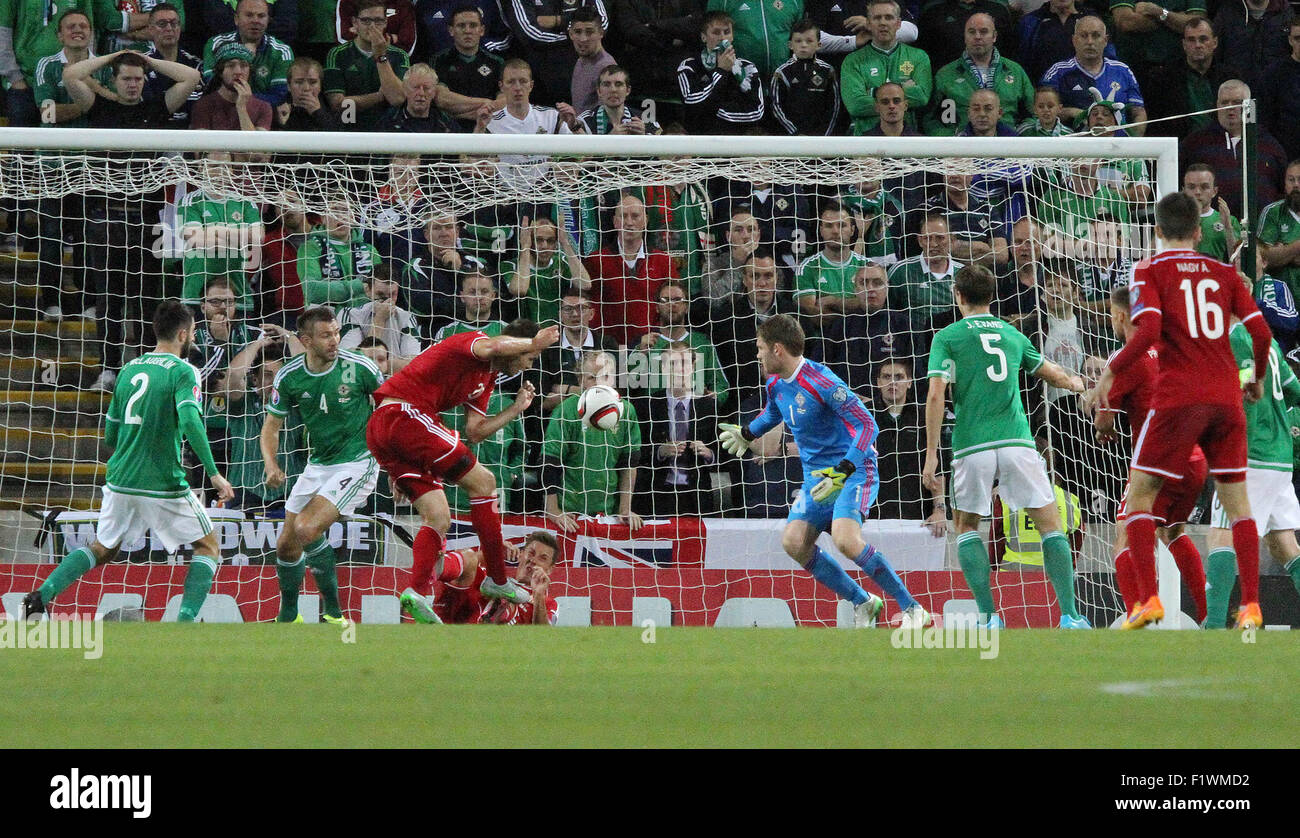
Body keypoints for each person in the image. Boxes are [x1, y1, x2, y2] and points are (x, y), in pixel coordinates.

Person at [1088, 192, 1271, 630]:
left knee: (1139, 497)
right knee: (1238, 505)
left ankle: (1148, 599)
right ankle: (1250, 605)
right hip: (1226, 398)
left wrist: (1111, 371)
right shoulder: (1225, 274)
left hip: (1179, 400)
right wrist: (1254, 378)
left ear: (1156, 231)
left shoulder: (1149, 269)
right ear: (1196, 231)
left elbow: (1148, 330)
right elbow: (1260, 333)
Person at [22, 301, 235, 621]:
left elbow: (110, 434)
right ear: (183, 333)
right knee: (207, 547)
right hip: (162, 480)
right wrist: (214, 473)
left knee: (102, 549)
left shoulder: (129, 369)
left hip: (120, 477)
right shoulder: (184, 371)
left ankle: (41, 595)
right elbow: (190, 421)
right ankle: (185, 624)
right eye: (192, 331)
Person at [718, 314, 929, 628]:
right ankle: (864, 602)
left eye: (760, 348)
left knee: (846, 540)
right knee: (793, 542)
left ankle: (913, 609)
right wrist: (748, 433)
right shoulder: (775, 382)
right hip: (817, 480)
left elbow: (867, 425)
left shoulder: (823, 381)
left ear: (777, 349)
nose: (757, 354)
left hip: (853, 471)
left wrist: (843, 470)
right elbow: (774, 411)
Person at [922, 264, 1090, 629]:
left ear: (958, 296)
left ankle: (988, 618)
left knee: (966, 527)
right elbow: (1053, 374)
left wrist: (932, 452)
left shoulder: (948, 337)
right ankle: (1071, 616)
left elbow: (936, 394)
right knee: (1050, 525)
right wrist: (1080, 385)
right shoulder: (1013, 335)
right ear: (992, 296)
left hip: (972, 444)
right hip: (1017, 439)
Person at [367, 319, 560, 609]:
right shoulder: (474, 342)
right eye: (529, 358)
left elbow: (476, 430)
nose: (529, 365)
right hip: (405, 414)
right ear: (515, 346)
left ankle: (416, 592)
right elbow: (495, 344)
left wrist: (516, 408)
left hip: (388, 431)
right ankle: (497, 578)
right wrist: (533, 342)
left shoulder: (486, 379)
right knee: (485, 483)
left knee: (438, 517)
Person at [259, 308, 382, 624]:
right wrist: (271, 465)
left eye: (337, 332)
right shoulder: (290, 376)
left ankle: (335, 614)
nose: (335, 340)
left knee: (307, 528)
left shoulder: (360, 367)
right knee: (286, 546)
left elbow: (390, 413)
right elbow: (271, 427)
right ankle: (289, 617)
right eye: (326, 335)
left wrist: (398, 464)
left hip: (358, 462)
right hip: (319, 464)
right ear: (305, 340)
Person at [1093, 285, 1208, 624]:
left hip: (1155, 462)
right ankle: (1209, 618)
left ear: (1119, 316)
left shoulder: (1126, 359)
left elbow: (1104, 421)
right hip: (1194, 459)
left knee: (1125, 535)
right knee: (1173, 532)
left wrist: (1102, 423)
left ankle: (1139, 613)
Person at [1203, 305, 1300, 627]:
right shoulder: (1268, 342)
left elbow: (1247, 381)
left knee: (1221, 535)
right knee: (1284, 544)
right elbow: (1294, 389)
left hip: (1249, 455)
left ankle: (1214, 628)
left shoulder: (1236, 339)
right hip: (1280, 456)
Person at [543, 350, 644, 532]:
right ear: (580, 380)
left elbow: (629, 463)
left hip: (609, 512)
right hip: (569, 513)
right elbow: (550, 461)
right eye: (591, 378)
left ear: (614, 379)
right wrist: (553, 510)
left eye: (605, 376)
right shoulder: (566, 411)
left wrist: (625, 508)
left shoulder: (627, 412)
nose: (599, 383)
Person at [634, 343, 721, 516]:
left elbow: (723, 451)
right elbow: (636, 451)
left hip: (696, 495)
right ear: (663, 368)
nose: (680, 368)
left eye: (685, 362)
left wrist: (708, 453)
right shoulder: (647, 406)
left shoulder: (708, 406)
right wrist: (660, 451)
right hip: (657, 494)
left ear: (694, 366)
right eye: (673, 363)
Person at [1181, 79, 1287, 220]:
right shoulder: (1195, 143)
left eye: (1237, 102)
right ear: (1217, 105)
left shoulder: (1269, 145)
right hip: (1210, 231)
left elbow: (1283, 189)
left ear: (1250, 105)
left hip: (1262, 232)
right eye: (1224, 103)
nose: (1230, 107)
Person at [586, 193, 678, 345]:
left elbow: (672, 307)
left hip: (652, 347)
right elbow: (590, 310)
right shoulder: (596, 261)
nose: (629, 222)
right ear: (615, 222)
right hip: (611, 352)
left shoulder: (663, 261)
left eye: (635, 216)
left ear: (646, 221)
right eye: (623, 216)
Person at [413, 530, 561, 625]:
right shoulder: (493, 581)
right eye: (531, 553)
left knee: (507, 603)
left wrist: (539, 595)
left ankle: (491, 619)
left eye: (543, 558)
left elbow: (544, 637)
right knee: (470, 559)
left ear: (550, 569)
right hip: (456, 618)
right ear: (521, 554)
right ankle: (437, 568)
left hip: (494, 646)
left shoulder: (548, 603)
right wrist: (493, 554)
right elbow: (471, 562)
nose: (533, 560)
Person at [179, 152, 265, 312]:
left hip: (237, 296)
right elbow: (196, 240)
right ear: (201, 168)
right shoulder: (190, 201)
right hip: (196, 296)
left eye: (225, 166)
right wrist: (238, 235)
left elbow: (257, 238)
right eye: (213, 166)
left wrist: (214, 231)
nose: (220, 171)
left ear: (232, 170)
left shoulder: (245, 202)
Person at [927, 12, 1034, 136]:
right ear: (965, 36)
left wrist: (1019, 138)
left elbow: (1034, 113)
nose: (977, 36)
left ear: (994, 36)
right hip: (961, 150)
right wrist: (952, 140)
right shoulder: (945, 74)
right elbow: (929, 119)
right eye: (971, 32)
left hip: (1008, 148)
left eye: (983, 32)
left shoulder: (1015, 71)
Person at [870, 358, 946, 532]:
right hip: (871, 519)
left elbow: (939, 469)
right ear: (878, 382)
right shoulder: (864, 416)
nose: (893, 382)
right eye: (886, 377)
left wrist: (939, 510)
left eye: (899, 376)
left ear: (910, 382)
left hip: (918, 519)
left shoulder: (925, 417)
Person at [1040, 15, 1146, 132]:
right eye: (1084, 36)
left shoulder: (1123, 71)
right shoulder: (1057, 72)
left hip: (1117, 146)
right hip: (1074, 146)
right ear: (1074, 40)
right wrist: (1073, 112)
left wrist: (1134, 143)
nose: (1090, 42)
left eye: (1096, 36)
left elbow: (1138, 112)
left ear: (1105, 40)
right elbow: (1041, 113)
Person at [840, 0, 930, 135]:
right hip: (865, 142)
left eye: (888, 17)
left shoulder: (918, 57)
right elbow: (855, 105)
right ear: (869, 24)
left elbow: (922, 97)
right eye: (877, 18)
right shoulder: (853, 61)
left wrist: (871, 92)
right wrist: (902, 90)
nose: (883, 23)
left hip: (907, 142)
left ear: (898, 23)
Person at [821, 262, 914, 392]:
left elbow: (917, 372)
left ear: (887, 288)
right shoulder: (839, 326)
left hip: (891, 405)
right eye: (864, 283)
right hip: (849, 405)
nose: (870, 289)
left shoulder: (904, 325)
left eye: (877, 283)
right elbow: (822, 371)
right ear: (855, 289)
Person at [324, 0, 411, 130]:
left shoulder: (400, 55)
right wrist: (380, 96)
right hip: (350, 131)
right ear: (354, 22)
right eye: (366, 21)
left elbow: (397, 99)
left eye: (378, 21)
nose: (372, 27)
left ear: (386, 22)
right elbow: (337, 104)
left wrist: (381, 57)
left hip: (390, 132)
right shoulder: (338, 54)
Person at [677, 11, 765, 134]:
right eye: (716, 32)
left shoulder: (747, 67)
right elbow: (692, 103)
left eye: (727, 32)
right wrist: (721, 71)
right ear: (703, 37)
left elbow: (756, 112)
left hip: (738, 141)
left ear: (732, 36)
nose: (723, 38)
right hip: (701, 141)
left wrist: (715, 111)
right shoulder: (689, 66)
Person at [1145, 17, 1233, 140]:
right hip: (1179, 148)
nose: (1198, 45)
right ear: (1184, 44)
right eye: (1191, 40)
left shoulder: (1230, 77)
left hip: (1221, 147)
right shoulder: (1162, 79)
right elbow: (1155, 125)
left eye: (1203, 39)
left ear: (1215, 43)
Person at [201, 0, 294, 109]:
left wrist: (244, 99)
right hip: (221, 111)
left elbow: (279, 97)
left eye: (261, 16)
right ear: (236, 19)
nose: (255, 21)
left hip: (264, 115)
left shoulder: (282, 51)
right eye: (249, 15)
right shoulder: (215, 44)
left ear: (268, 20)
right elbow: (211, 88)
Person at [795, 200, 869, 333]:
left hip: (862, 340)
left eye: (842, 225)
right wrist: (854, 306)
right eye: (829, 226)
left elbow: (871, 305)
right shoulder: (806, 268)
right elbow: (816, 315)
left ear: (852, 230)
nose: (835, 231)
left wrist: (833, 301)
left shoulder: (867, 267)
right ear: (821, 230)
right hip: (823, 342)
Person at [503, 215, 590, 328]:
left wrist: (565, 243)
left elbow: (585, 285)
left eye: (550, 241)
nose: (545, 246)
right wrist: (525, 247)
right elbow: (519, 290)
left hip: (559, 335)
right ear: (530, 240)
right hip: (526, 336)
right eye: (538, 240)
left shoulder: (562, 261)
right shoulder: (510, 265)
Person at [888, 213, 964, 336]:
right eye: (927, 238)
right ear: (919, 241)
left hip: (954, 345)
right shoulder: (901, 271)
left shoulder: (963, 274)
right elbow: (888, 312)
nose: (933, 244)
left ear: (951, 239)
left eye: (940, 238)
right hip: (913, 346)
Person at [298, 200, 383, 308]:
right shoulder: (310, 248)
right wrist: (360, 285)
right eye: (334, 210)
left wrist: (333, 290)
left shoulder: (370, 251)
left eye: (345, 210)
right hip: (326, 321)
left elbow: (379, 291)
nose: (340, 216)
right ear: (323, 218)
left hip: (365, 319)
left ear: (353, 217)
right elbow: (313, 291)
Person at [432, 5, 504, 131]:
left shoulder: (497, 62)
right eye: (461, 26)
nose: (467, 30)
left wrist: (459, 111)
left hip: (489, 130)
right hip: (449, 130)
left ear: (481, 30)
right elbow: (442, 99)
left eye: (473, 25)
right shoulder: (439, 60)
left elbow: (504, 102)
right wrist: (486, 104)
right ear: (451, 30)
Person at [338, 265, 423, 372]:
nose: (387, 301)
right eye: (380, 294)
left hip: (393, 382)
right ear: (367, 290)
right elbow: (354, 363)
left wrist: (376, 361)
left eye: (393, 295)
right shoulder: (350, 314)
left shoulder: (406, 317)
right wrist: (379, 319)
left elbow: (412, 366)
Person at [770, 18, 841, 136]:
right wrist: (795, 134)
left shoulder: (828, 71)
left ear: (818, 45)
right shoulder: (782, 73)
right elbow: (776, 107)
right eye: (798, 41)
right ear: (790, 45)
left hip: (821, 137)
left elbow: (834, 107)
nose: (803, 45)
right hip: (791, 138)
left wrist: (823, 135)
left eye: (809, 41)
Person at [142, 4, 204, 128]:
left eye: (174, 23)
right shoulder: (142, 64)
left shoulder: (196, 65)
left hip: (192, 135)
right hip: (155, 133)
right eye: (162, 24)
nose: (169, 28)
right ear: (150, 29)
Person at [1213, 0, 1292, 92]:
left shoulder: (1285, 12)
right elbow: (1216, 54)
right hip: (1235, 92)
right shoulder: (1227, 12)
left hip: (1276, 91)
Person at [916, 0, 1015, 73]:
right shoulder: (932, 10)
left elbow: (1009, 49)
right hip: (947, 83)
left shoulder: (998, 9)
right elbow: (923, 53)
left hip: (993, 80)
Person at [191, 43, 273, 129]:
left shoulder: (263, 107)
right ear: (220, 72)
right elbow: (202, 141)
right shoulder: (204, 105)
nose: (238, 71)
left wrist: (241, 108)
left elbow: (256, 142)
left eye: (243, 65)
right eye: (231, 66)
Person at [372, 63, 460, 132]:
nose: (421, 93)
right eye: (415, 87)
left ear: (434, 92)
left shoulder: (446, 124)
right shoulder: (389, 123)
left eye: (426, 88)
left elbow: (461, 153)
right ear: (405, 90)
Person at [577, 65, 661, 135]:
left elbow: (664, 153)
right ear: (599, 91)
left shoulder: (646, 120)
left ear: (628, 90)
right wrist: (610, 140)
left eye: (618, 84)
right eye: (606, 84)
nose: (613, 89)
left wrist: (645, 138)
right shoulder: (585, 121)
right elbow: (577, 154)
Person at [1183, 163, 1241, 263]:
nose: (1197, 192)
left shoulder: (1229, 221)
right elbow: (1154, 253)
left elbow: (1238, 260)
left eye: (1204, 187)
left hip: (1215, 277)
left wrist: (1228, 227)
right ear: (1183, 190)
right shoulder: (1173, 220)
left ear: (1214, 191)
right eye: (1191, 187)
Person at [567, 6, 616, 115]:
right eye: (578, 32)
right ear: (571, 34)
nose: (583, 38)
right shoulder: (580, 61)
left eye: (589, 32)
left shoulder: (606, 67)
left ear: (601, 33)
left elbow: (607, 117)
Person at [274, 56, 344, 130]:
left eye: (313, 82)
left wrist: (318, 113)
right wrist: (282, 123)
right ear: (288, 86)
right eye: (299, 82)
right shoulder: (279, 108)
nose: (306, 88)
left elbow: (339, 137)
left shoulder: (331, 107)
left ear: (320, 86)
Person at [434, 269, 507, 341]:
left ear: (493, 296)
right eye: (472, 292)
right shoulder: (447, 332)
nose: (479, 297)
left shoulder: (506, 331)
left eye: (484, 291)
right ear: (462, 297)